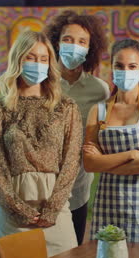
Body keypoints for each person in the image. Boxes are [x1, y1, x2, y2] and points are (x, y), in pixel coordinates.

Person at [0, 30, 82, 258]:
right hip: (11, 214)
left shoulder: (67, 107)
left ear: (50, 64)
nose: (37, 64)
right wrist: (18, 209)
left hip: (56, 210)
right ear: (18, 60)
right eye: (30, 57)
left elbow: (71, 162)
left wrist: (52, 209)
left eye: (43, 59)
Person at [83, 39, 139, 244]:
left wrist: (104, 163)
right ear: (111, 67)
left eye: (132, 66)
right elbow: (88, 164)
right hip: (106, 201)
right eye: (119, 66)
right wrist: (129, 155)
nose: (125, 71)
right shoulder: (99, 110)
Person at [44, 10, 109, 245]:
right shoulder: (41, 85)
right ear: (56, 43)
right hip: (41, 190)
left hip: (78, 190)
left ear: (90, 49)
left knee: (72, 252)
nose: (74, 47)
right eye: (68, 40)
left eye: (82, 42)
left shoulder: (100, 90)